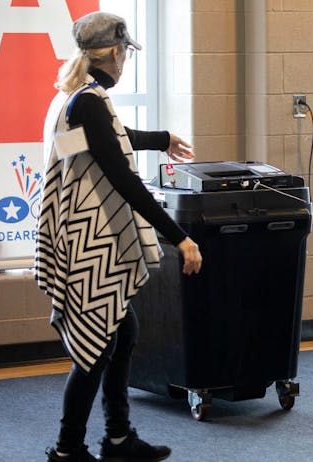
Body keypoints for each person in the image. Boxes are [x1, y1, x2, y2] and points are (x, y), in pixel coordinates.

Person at [35, 12, 203, 462]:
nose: (126, 60)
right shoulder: (88, 100)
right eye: (126, 52)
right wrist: (178, 237)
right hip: (87, 247)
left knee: (120, 331)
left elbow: (113, 141)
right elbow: (121, 177)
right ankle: (69, 450)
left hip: (77, 239)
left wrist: (162, 138)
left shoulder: (74, 94)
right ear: (114, 52)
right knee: (97, 346)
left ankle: (117, 437)